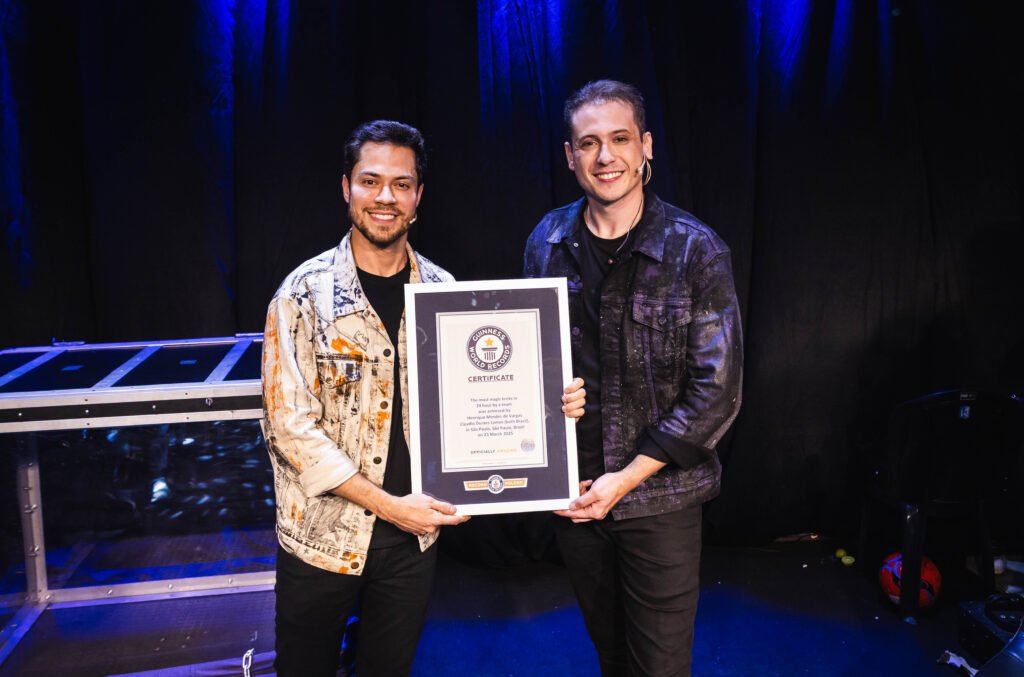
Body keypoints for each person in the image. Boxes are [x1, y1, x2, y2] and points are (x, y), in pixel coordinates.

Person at [262, 120, 585, 677]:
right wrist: (391, 507)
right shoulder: (301, 296)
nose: (385, 197)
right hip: (321, 539)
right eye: (370, 181)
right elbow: (290, 429)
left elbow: (483, 393)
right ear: (347, 188)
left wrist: (549, 404)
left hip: (411, 544)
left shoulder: (445, 294)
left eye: (401, 184)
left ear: (418, 198)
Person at [523, 80, 743, 676]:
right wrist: (546, 398)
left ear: (646, 147)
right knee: (612, 656)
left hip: (659, 500)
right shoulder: (545, 242)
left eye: (619, 139)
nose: (605, 157)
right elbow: (531, 365)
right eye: (587, 143)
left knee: (659, 666)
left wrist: (625, 480)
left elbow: (715, 394)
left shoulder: (696, 251)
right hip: (574, 494)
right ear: (569, 156)